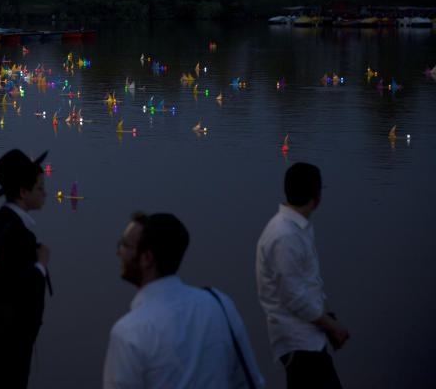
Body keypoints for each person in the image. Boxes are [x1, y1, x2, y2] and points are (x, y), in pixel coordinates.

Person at [103, 212, 265, 388]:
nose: (119, 252)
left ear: (147, 258)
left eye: (125, 245)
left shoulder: (128, 332)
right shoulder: (219, 304)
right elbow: (251, 381)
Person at [256, 162, 349, 388]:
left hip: (310, 339)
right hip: (297, 343)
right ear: (317, 196)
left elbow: (308, 285)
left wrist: (327, 322)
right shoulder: (284, 235)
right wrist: (331, 326)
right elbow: (294, 296)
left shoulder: (297, 229)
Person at [0, 149, 52, 389]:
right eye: (39, 188)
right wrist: (41, 265)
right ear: (23, 192)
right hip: (10, 339)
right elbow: (17, 289)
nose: (45, 194)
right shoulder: (18, 234)